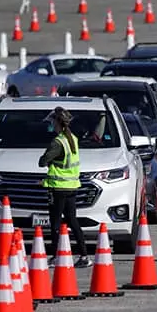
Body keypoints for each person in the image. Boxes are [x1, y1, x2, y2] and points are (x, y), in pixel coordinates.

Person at [38, 106, 93, 268]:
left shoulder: (58, 142)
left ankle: (55, 257)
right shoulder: (72, 138)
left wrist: (46, 157)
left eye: (52, 122)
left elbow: (43, 161)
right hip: (72, 187)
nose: (50, 125)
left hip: (58, 188)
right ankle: (84, 256)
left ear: (57, 122)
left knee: (55, 223)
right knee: (73, 221)